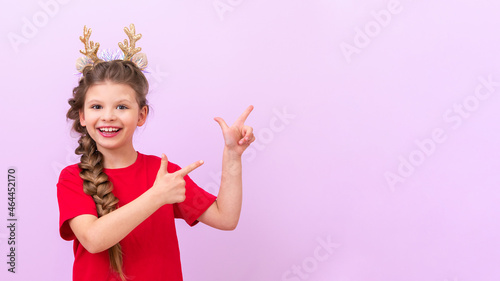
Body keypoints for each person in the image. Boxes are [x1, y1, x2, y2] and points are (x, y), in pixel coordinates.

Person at [57, 24, 255, 281]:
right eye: (96, 106)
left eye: (121, 106)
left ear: (141, 115)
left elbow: (226, 218)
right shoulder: (73, 178)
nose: (108, 116)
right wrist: (157, 196)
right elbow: (94, 239)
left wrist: (232, 155)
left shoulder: (164, 174)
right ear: (83, 116)